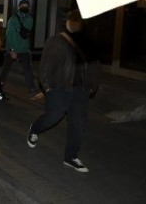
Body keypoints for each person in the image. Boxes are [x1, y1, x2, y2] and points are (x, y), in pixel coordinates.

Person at [27, 9, 99, 173]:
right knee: (53, 117)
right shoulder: (57, 41)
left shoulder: (88, 43)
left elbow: (95, 65)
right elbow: (45, 67)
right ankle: (35, 129)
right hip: (60, 87)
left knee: (78, 125)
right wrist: (48, 88)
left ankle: (71, 157)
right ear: (68, 23)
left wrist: (93, 85)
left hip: (81, 89)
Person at [2, 0, 43, 100]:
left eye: (26, 6)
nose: (25, 7)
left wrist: (20, 30)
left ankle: (32, 91)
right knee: (5, 69)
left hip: (24, 50)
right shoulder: (13, 19)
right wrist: (12, 50)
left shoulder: (29, 19)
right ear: (19, 7)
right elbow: (9, 35)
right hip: (13, 49)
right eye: (23, 5)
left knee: (27, 70)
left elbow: (26, 33)